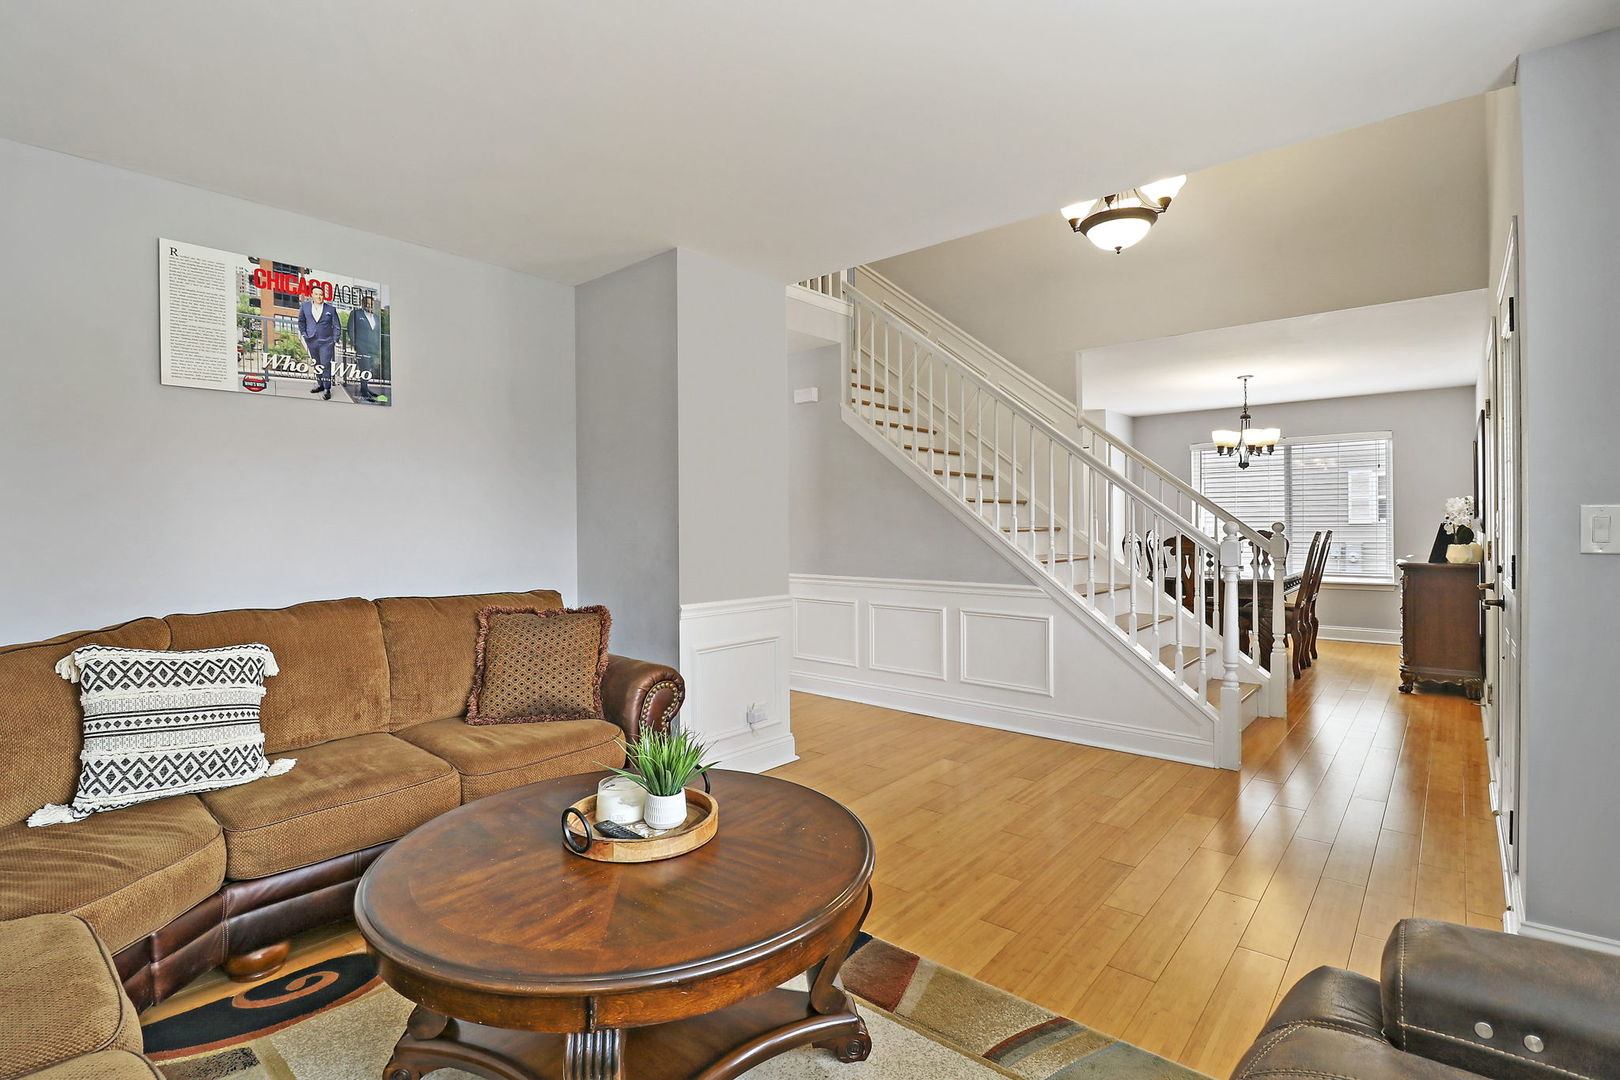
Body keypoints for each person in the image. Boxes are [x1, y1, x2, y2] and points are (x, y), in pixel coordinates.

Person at [299, 287, 341, 400]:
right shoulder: (305, 306)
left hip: (326, 342)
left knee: (325, 365)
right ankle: (320, 385)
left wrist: (334, 340)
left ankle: (327, 388)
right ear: (312, 295)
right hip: (311, 340)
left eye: (321, 294)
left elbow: (337, 326)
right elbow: (301, 321)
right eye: (316, 294)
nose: (319, 297)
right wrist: (304, 334)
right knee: (316, 364)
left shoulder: (331, 309)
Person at [346, 294, 383, 403]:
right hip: (362, 346)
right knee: (364, 368)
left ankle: (366, 389)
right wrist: (355, 343)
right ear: (363, 304)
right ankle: (364, 391)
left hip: (373, 347)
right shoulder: (356, 314)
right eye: (366, 303)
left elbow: (377, 333)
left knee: (369, 369)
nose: (369, 305)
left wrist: (378, 347)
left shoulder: (376, 317)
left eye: (371, 303)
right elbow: (350, 329)